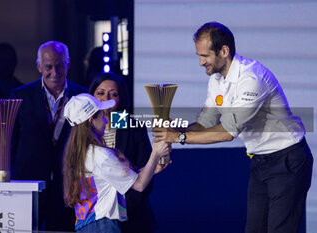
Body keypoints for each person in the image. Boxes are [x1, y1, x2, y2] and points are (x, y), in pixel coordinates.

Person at [153, 22, 313, 233]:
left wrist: (178, 138)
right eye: (198, 56)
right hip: (260, 161)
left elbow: (228, 132)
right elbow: (206, 121)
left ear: (224, 51)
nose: (201, 62)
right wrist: (178, 130)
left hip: (287, 161)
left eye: (205, 56)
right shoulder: (217, 79)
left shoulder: (251, 79)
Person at [62, 93, 171, 233]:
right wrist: (155, 153)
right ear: (91, 120)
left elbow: (113, 181)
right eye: (102, 116)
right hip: (103, 226)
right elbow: (139, 185)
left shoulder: (80, 154)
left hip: (86, 226)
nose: (106, 121)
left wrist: (150, 169)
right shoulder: (100, 155)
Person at [10, 41, 88, 231]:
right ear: (39, 66)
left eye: (60, 65)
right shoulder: (18, 97)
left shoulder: (84, 96)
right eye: (48, 66)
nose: (54, 71)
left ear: (68, 64)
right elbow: (12, 144)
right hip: (28, 185)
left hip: (68, 187)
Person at [89, 72, 157, 233]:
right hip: (94, 216)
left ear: (120, 99)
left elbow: (147, 173)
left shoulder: (133, 127)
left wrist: (124, 209)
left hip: (132, 215)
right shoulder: (82, 130)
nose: (106, 99)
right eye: (100, 93)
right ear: (91, 96)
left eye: (113, 94)